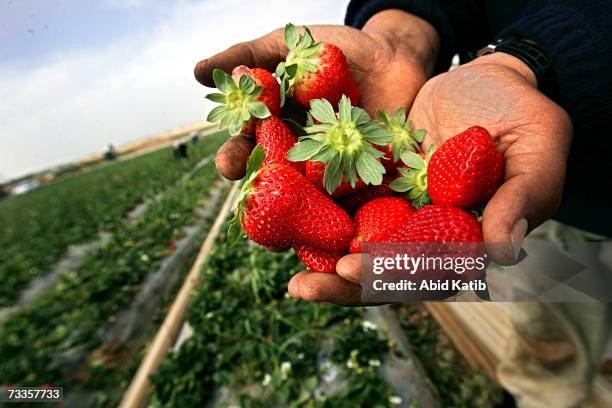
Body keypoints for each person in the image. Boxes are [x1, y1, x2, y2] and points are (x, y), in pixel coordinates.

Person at [194, 1, 612, 406]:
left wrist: (529, 59)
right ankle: (540, 395)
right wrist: (399, 37)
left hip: (571, 166)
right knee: (554, 330)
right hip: (564, 208)